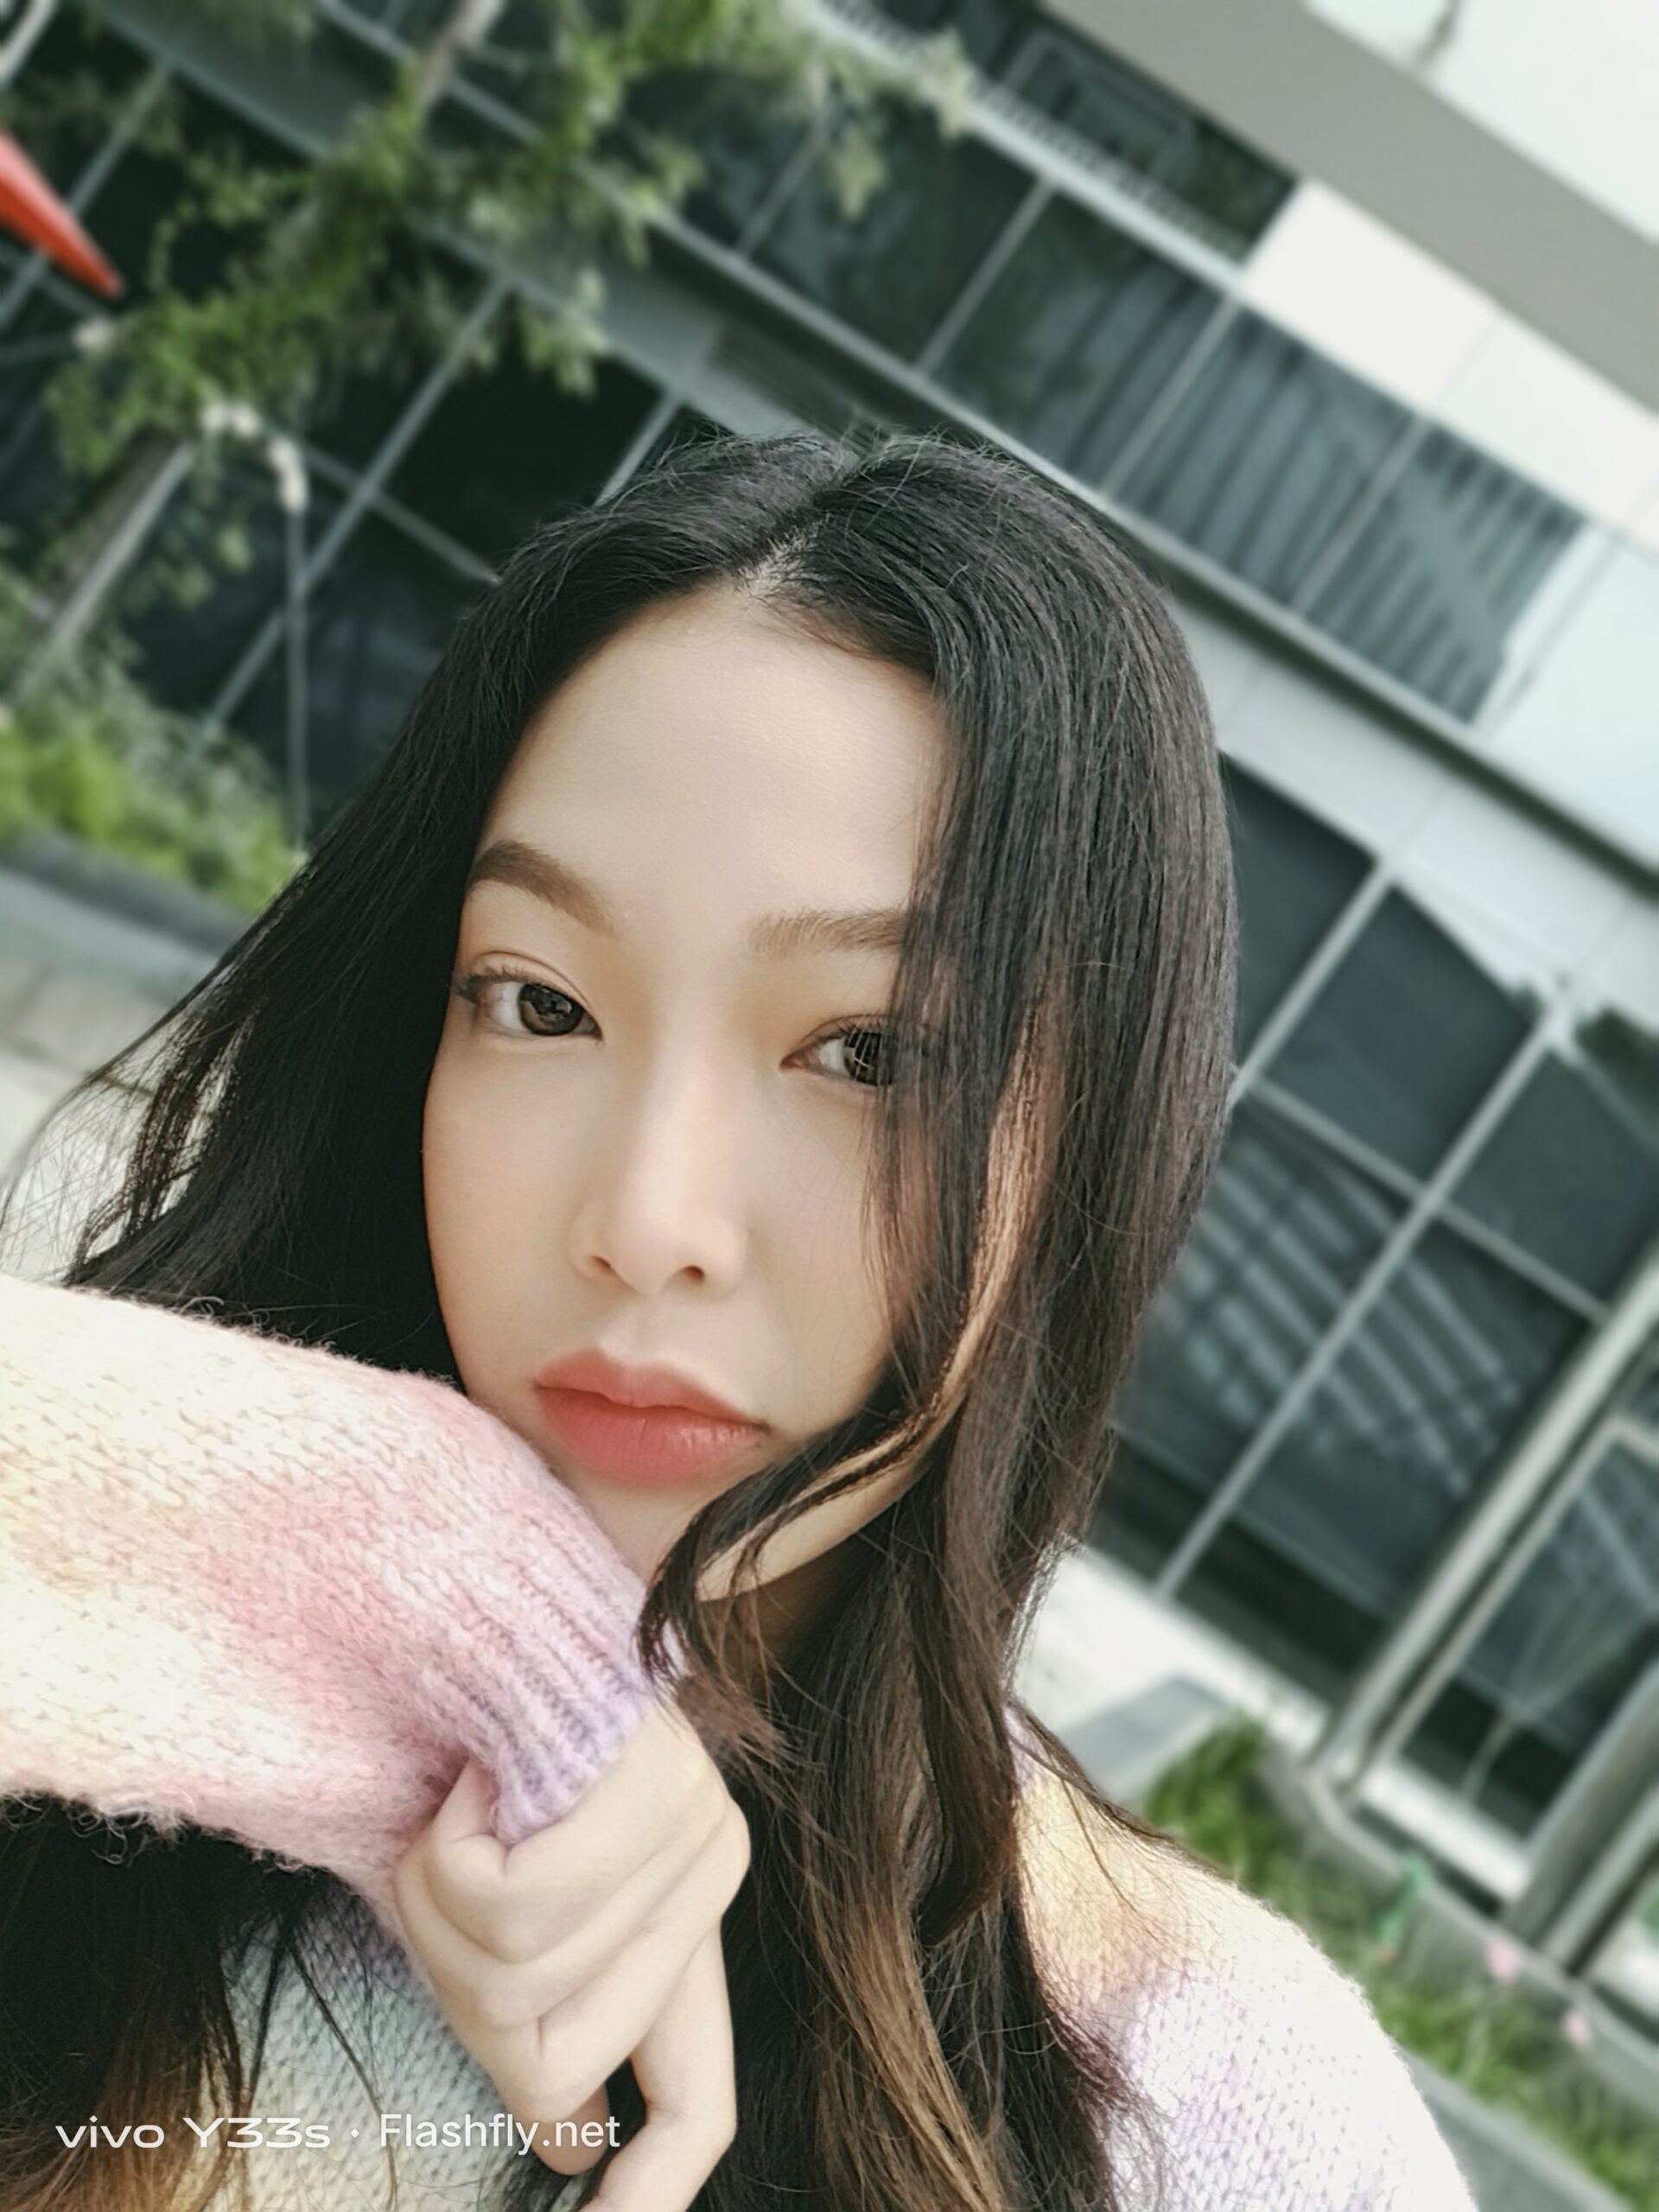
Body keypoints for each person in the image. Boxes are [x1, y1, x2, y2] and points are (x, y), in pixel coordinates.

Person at [0, 426, 1477, 2212]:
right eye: (538, 1003)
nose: (646, 1222)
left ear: (1096, 1150)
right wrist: (442, 1604)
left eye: (870, 1053)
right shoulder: (86, 1741)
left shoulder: (1210, 2102)